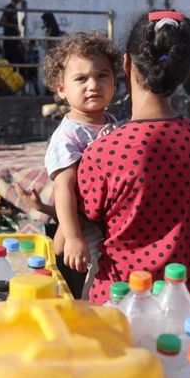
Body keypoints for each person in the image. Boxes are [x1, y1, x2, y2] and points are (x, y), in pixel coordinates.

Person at [77, 11, 190, 304]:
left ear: (125, 64)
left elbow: (83, 220)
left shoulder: (103, 152)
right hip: (180, 305)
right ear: (183, 73)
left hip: (119, 305)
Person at [39, 32, 121, 297]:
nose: (93, 85)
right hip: (89, 234)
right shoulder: (70, 134)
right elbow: (64, 188)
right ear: (61, 89)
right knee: (96, 287)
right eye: (81, 79)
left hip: (109, 224)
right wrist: (73, 236)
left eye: (102, 75)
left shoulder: (111, 122)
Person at [0, 0, 26, 66]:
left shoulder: (16, 9)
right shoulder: (9, 8)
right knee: (11, 63)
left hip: (16, 41)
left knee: (18, 63)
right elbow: (1, 23)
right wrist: (14, 26)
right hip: (9, 41)